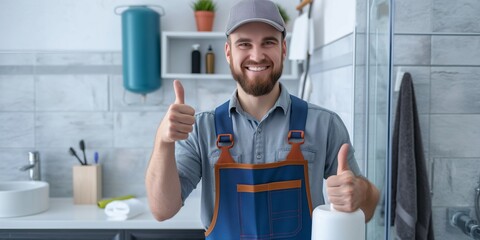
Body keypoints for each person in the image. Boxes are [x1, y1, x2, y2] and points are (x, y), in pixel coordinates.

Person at [146, 0, 380, 238]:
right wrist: (163, 141)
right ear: (228, 52)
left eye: (268, 42)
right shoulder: (202, 129)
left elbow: (368, 208)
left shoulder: (324, 124)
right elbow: (162, 210)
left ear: (283, 49)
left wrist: (359, 193)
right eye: (244, 44)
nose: (256, 56)